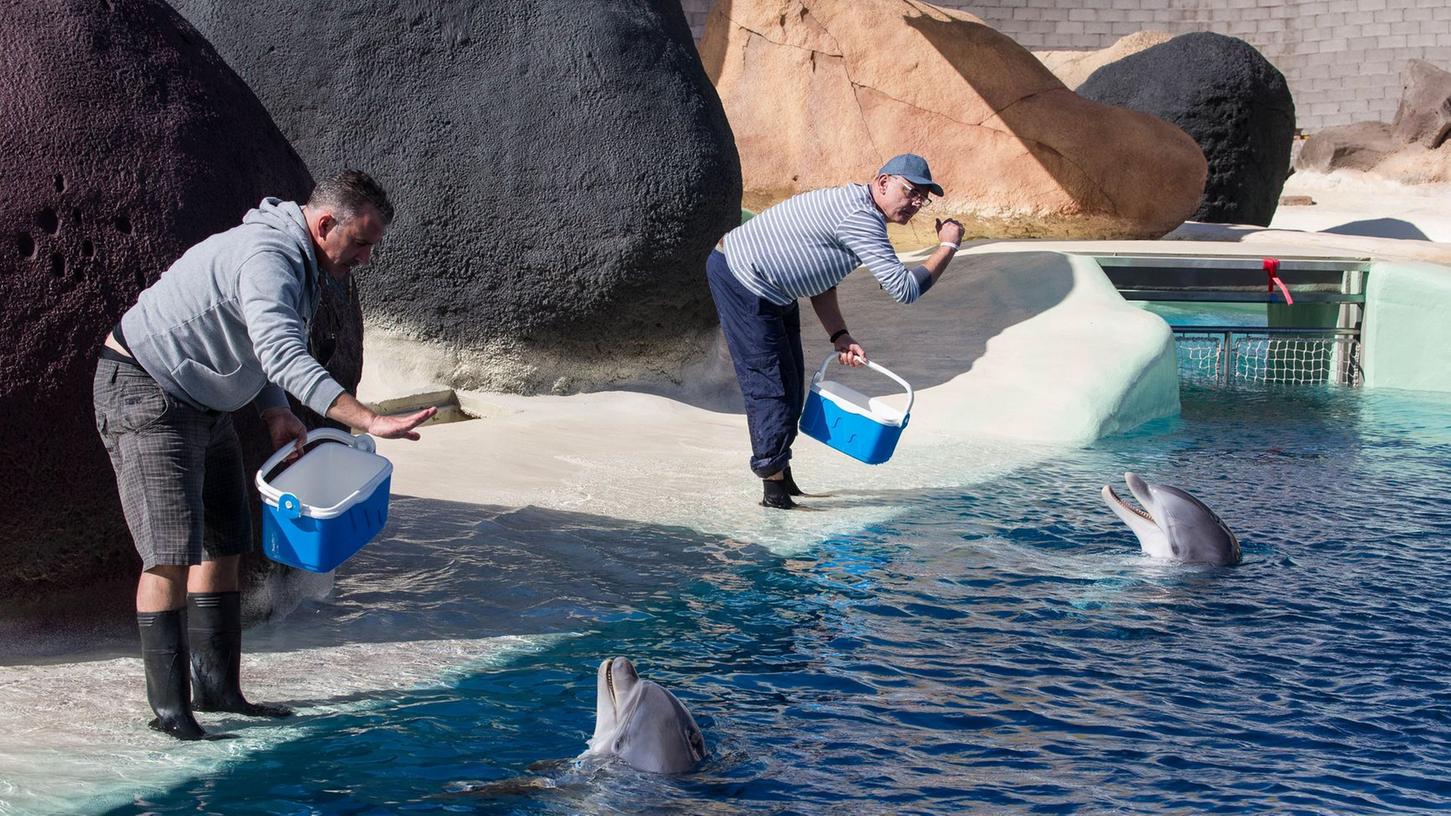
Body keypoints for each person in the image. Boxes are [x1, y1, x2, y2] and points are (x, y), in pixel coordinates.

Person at [92, 170, 436, 740]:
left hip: (204, 400)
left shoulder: (304, 261)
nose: (367, 258)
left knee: (224, 543)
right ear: (325, 224)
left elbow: (259, 344)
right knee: (169, 554)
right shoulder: (270, 256)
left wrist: (274, 409)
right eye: (362, 242)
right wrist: (370, 418)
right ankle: (172, 713)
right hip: (144, 389)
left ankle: (221, 692)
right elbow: (279, 352)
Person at [707, 154, 965, 509]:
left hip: (772, 286)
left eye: (923, 197)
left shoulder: (859, 206)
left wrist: (839, 334)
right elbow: (904, 289)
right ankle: (774, 492)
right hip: (742, 278)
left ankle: (781, 471)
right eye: (911, 191)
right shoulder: (861, 218)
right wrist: (948, 246)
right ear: (884, 181)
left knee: (792, 383)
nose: (917, 203)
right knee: (770, 387)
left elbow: (821, 279)